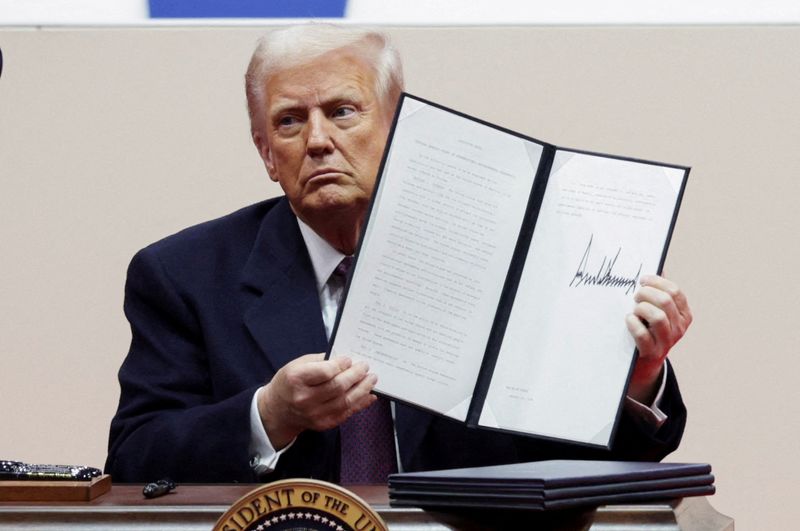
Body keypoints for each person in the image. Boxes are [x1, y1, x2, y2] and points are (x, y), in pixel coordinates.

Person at [105, 24, 691, 484]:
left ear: (400, 128)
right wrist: (270, 415)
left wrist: (634, 381)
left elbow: (583, 463)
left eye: (341, 111)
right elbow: (136, 458)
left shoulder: (507, 260)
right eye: (288, 122)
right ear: (265, 153)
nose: (316, 140)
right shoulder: (182, 274)